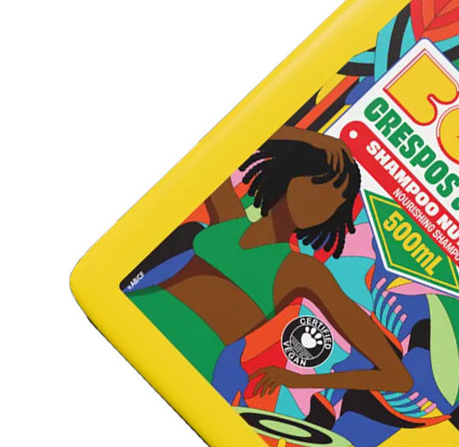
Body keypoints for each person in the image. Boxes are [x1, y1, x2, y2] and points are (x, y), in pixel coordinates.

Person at [127, 125, 413, 398]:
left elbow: (397, 378)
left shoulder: (304, 272)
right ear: (294, 173)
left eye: (333, 202)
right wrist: (314, 140)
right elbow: (226, 141)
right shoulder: (228, 218)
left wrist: (300, 381)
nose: (320, 204)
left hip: (183, 366)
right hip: (133, 315)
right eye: (318, 184)